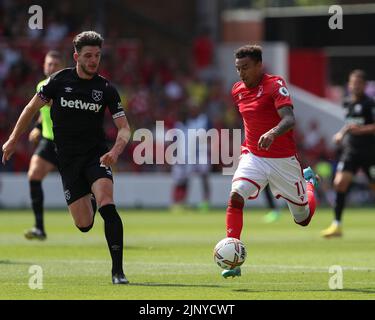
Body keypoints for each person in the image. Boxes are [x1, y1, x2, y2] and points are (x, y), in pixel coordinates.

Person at [2, 31, 131, 285]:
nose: (94, 60)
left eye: (97, 55)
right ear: (76, 57)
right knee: (84, 224)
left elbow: (125, 128)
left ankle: (118, 272)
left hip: (97, 157)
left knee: (107, 202)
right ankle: (88, 198)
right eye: (88, 56)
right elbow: (30, 109)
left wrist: (115, 151)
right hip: (68, 161)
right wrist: (14, 139)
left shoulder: (105, 88)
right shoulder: (58, 81)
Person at [222, 44, 319, 278]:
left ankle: (309, 183)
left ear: (258, 65)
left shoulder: (275, 85)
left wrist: (273, 133)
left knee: (302, 219)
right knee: (236, 196)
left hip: (283, 159)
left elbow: (289, 119)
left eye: (245, 67)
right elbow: (250, 120)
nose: (241, 73)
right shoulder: (237, 90)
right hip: (253, 155)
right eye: (238, 68)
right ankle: (232, 259)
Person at [321, 69, 375, 238]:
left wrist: (360, 130)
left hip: (370, 153)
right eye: (352, 83)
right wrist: (341, 134)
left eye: (358, 83)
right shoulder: (346, 103)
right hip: (351, 152)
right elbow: (349, 125)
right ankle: (336, 225)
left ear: (364, 86)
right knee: (339, 183)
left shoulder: (369, 104)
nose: (355, 86)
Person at [24, 50, 64, 240]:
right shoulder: (41, 86)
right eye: (49, 64)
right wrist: (38, 127)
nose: (52, 67)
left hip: (68, 144)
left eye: (56, 65)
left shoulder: (67, 86)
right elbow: (42, 112)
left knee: (85, 187)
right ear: (44, 66)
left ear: (62, 67)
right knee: (33, 175)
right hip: (49, 141)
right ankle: (39, 227)